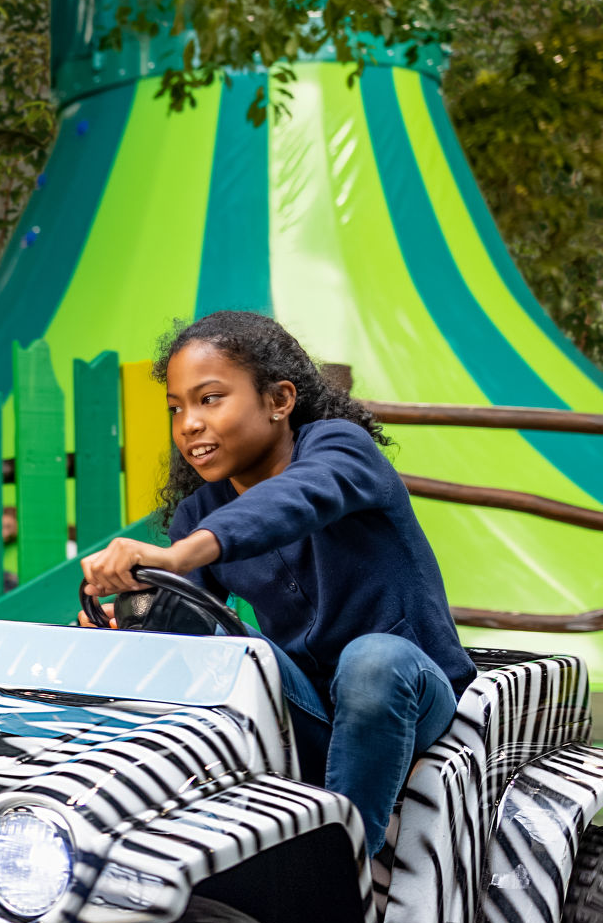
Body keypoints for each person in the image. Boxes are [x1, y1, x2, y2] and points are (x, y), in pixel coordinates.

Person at [78, 311, 474, 857]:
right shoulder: (200, 512)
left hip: (407, 693)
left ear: (279, 400)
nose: (189, 423)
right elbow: (182, 630)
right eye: (177, 409)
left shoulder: (340, 449)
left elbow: (293, 501)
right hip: (307, 708)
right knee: (209, 638)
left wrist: (178, 553)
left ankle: (339, 864)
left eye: (210, 398)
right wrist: (126, 623)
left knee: (373, 661)